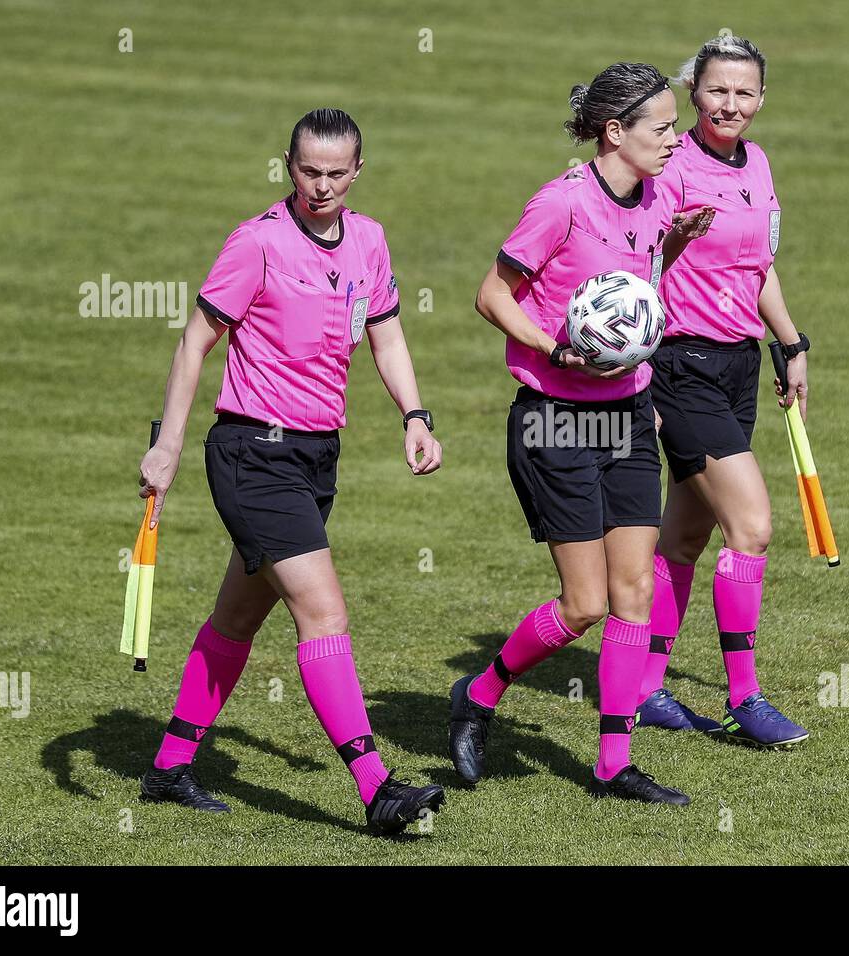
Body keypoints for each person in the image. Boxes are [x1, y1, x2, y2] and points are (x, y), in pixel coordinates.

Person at [136, 108, 446, 834]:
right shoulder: (258, 243)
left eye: (337, 173)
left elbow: (387, 331)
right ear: (288, 164)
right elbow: (195, 343)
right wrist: (169, 446)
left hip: (315, 456)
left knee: (238, 616)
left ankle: (168, 767)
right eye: (309, 170)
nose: (322, 185)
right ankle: (378, 789)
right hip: (253, 453)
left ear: (358, 171)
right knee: (324, 613)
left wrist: (415, 414)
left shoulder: (368, 238)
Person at [448, 63, 713, 804]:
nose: (673, 140)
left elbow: (634, 291)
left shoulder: (657, 196)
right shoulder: (561, 203)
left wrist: (678, 242)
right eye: (661, 128)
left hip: (628, 413)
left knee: (636, 592)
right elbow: (490, 293)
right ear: (614, 132)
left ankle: (612, 764)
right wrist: (549, 346)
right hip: (555, 419)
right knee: (585, 604)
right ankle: (481, 692)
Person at [638, 36, 812, 747]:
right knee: (753, 526)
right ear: (693, 93)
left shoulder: (760, 163)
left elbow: (757, 266)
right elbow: (637, 262)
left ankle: (645, 687)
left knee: (684, 533)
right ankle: (745, 697)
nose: (730, 104)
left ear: (761, 99)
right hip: (681, 366)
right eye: (716, 91)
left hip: (739, 365)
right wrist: (672, 244)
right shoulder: (672, 167)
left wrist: (790, 342)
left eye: (744, 93)